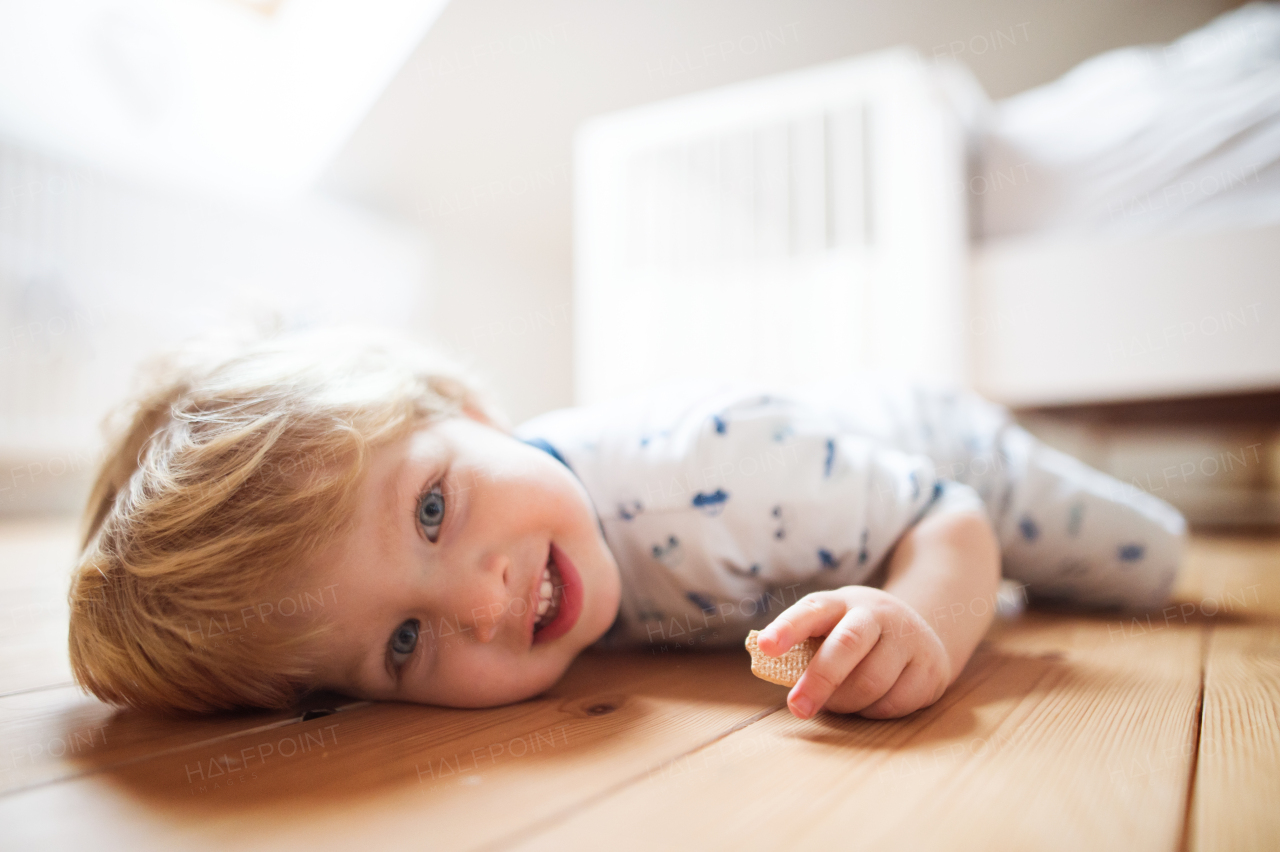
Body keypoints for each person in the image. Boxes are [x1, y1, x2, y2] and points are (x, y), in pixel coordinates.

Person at [68, 327, 1185, 718]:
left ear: (464, 409)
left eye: (431, 510)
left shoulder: (710, 464)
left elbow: (945, 516)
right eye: (404, 643)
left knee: (1140, 565)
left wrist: (920, 623)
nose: (475, 598)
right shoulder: (533, 551)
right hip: (830, 520)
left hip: (927, 451)